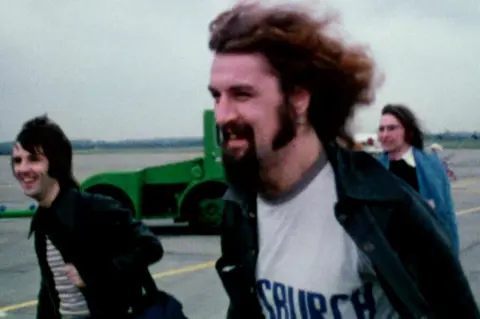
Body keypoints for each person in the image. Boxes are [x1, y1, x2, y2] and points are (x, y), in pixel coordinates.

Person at [206, 2, 479, 318]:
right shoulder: (241, 205)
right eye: (216, 96)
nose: (222, 115)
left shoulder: (385, 208)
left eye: (242, 94)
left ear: (298, 98)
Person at [10, 115, 164, 319]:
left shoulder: (94, 208)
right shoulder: (43, 222)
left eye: (34, 159)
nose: (22, 169)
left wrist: (96, 273)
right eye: (17, 161)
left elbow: (150, 246)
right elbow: (49, 290)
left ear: (56, 162)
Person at [377, 104, 459, 255]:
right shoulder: (375, 170)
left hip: (426, 256)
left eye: (391, 128)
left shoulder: (432, 168)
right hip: (391, 258)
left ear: (408, 132)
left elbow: (446, 215)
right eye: (381, 129)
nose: (384, 135)